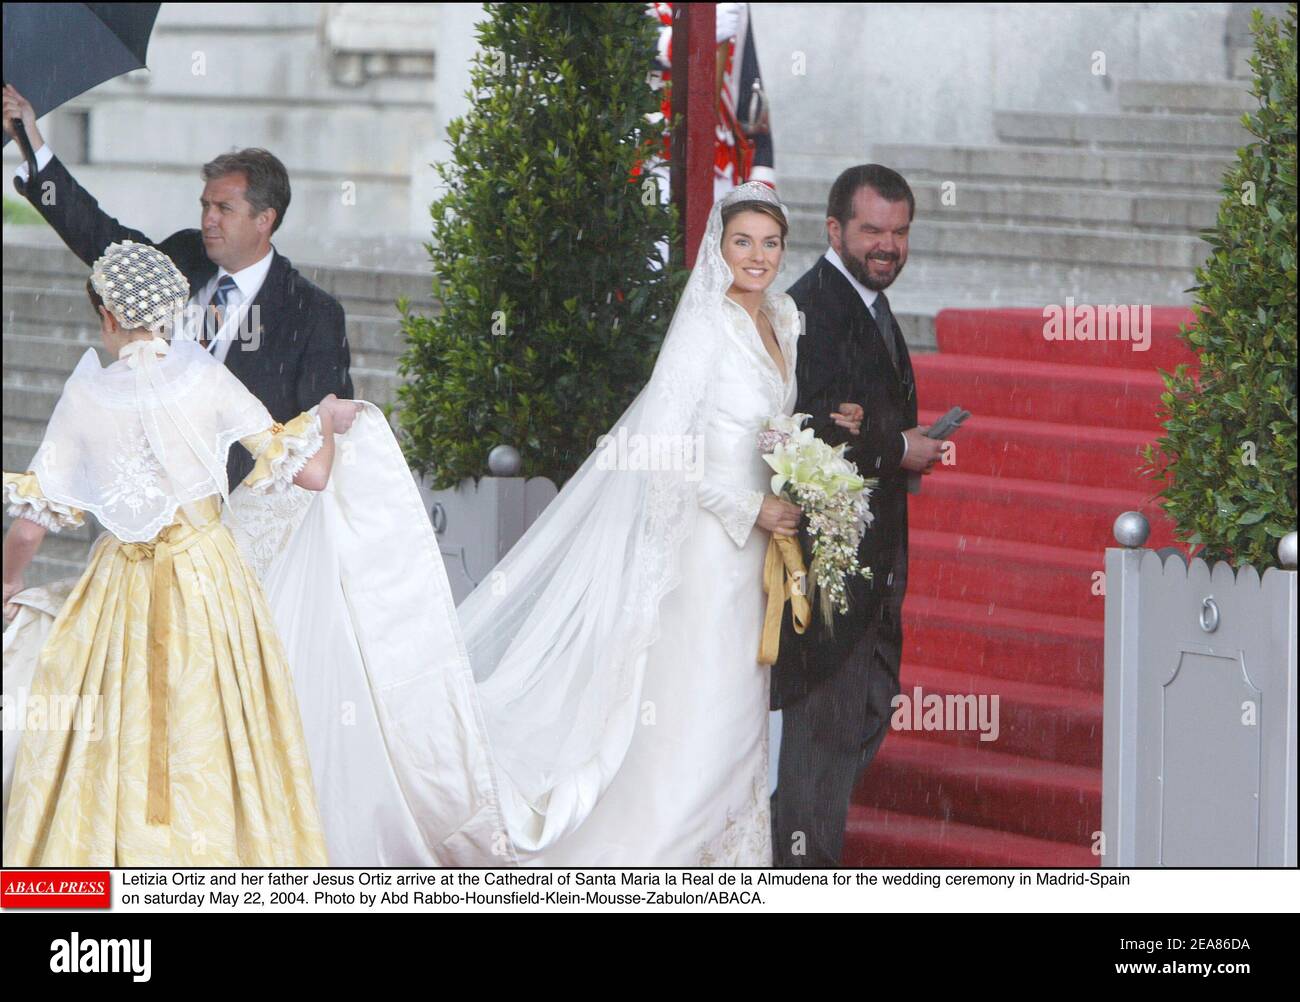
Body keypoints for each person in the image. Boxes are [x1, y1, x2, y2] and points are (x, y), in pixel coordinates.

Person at [227, 182, 862, 865]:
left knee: (741, 698)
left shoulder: (785, 319)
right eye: (743, 242)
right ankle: (662, 851)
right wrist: (746, 505)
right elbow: (664, 449)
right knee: (699, 701)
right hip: (706, 544)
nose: (757, 257)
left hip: (761, 553)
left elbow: (762, 427)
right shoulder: (706, 324)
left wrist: (807, 450)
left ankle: (731, 853)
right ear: (719, 247)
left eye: (770, 244)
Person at [1, 241, 355, 866]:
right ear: (168, 313)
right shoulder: (205, 375)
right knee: (216, 722)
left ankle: (109, 867)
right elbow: (313, 476)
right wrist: (323, 419)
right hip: (209, 578)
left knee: (113, 728)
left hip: (121, 584)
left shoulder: (88, 394)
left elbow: (30, 530)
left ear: (107, 317)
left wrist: (7, 584)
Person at [1, 84, 357, 490]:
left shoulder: (311, 313)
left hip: (245, 507)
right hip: (152, 491)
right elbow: (100, 238)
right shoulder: (184, 256)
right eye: (206, 205)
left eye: (224, 209)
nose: (209, 219)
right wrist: (31, 142)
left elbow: (318, 433)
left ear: (265, 220)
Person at [770, 164, 944, 867]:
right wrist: (898, 447)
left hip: (876, 571)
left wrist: (880, 436)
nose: (888, 245)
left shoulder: (870, 302)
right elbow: (806, 430)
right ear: (834, 229)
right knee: (821, 747)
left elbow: (855, 420)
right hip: (825, 578)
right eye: (873, 230)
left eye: (900, 232)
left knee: (861, 723)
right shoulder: (808, 306)